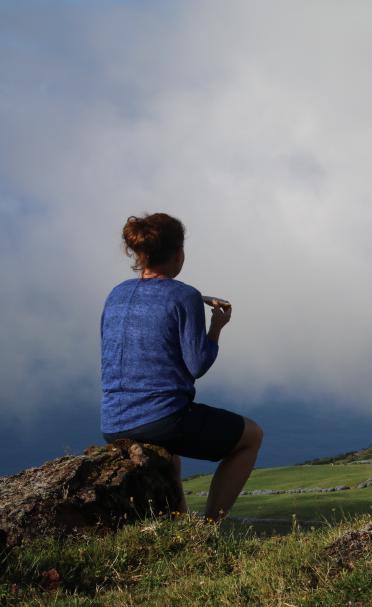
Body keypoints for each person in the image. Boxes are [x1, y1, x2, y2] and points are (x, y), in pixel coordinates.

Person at [100, 212, 263, 521]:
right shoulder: (184, 296)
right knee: (252, 436)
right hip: (163, 419)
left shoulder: (117, 294)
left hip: (113, 421)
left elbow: (151, 298)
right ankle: (209, 527)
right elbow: (197, 364)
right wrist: (216, 327)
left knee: (170, 457)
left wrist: (196, 298)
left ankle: (180, 529)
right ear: (178, 253)